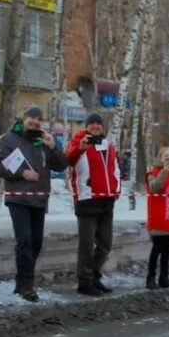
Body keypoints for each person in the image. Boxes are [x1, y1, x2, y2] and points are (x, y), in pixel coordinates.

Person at [0, 105, 68, 302]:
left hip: (39, 200)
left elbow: (61, 165)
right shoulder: (8, 139)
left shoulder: (42, 141)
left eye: (40, 119)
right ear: (23, 119)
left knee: (36, 243)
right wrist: (22, 173)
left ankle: (23, 281)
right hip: (19, 198)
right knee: (25, 241)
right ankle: (26, 285)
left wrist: (52, 147)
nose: (36, 121)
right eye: (32, 118)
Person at [66, 112, 121, 296]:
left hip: (107, 199)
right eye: (92, 124)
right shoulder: (78, 141)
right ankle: (84, 281)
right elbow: (69, 159)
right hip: (87, 199)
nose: (96, 126)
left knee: (105, 243)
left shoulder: (109, 145)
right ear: (87, 126)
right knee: (87, 245)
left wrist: (116, 189)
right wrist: (81, 148)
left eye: (99, 124)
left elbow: (115, 169)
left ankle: (94, 276)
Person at [145, 146, 169, 289]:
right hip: (158, 218)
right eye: (166, 156)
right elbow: (155, 188)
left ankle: (164, 276)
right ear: (160, 158)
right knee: (157, 249)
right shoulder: (153, 172)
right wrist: (164, 172)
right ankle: (150, 278)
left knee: (167, 251)